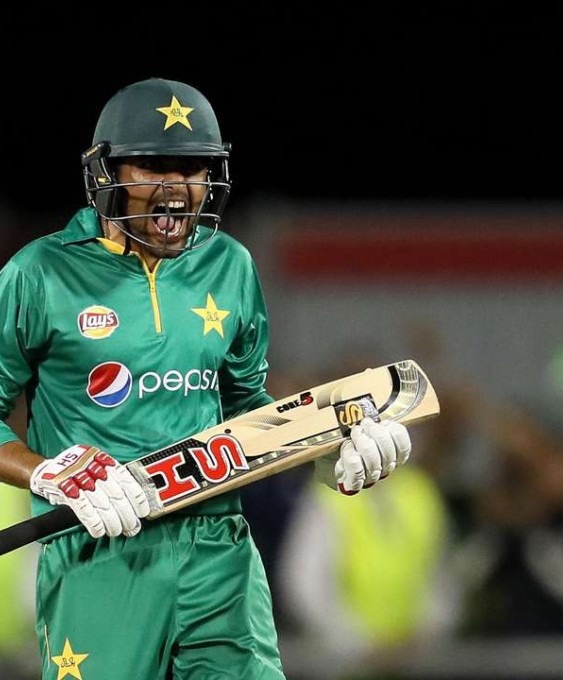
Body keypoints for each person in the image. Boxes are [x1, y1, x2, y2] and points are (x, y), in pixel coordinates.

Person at [0, 77, 413, 680]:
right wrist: (47, 471)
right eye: (154, 167)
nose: (176, 191)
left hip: (219, 549)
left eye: (193, 170)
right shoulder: (40, 274)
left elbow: (250, 408)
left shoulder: (230, 265)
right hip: (100, 551)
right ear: (104, 171)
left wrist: (325, 452)